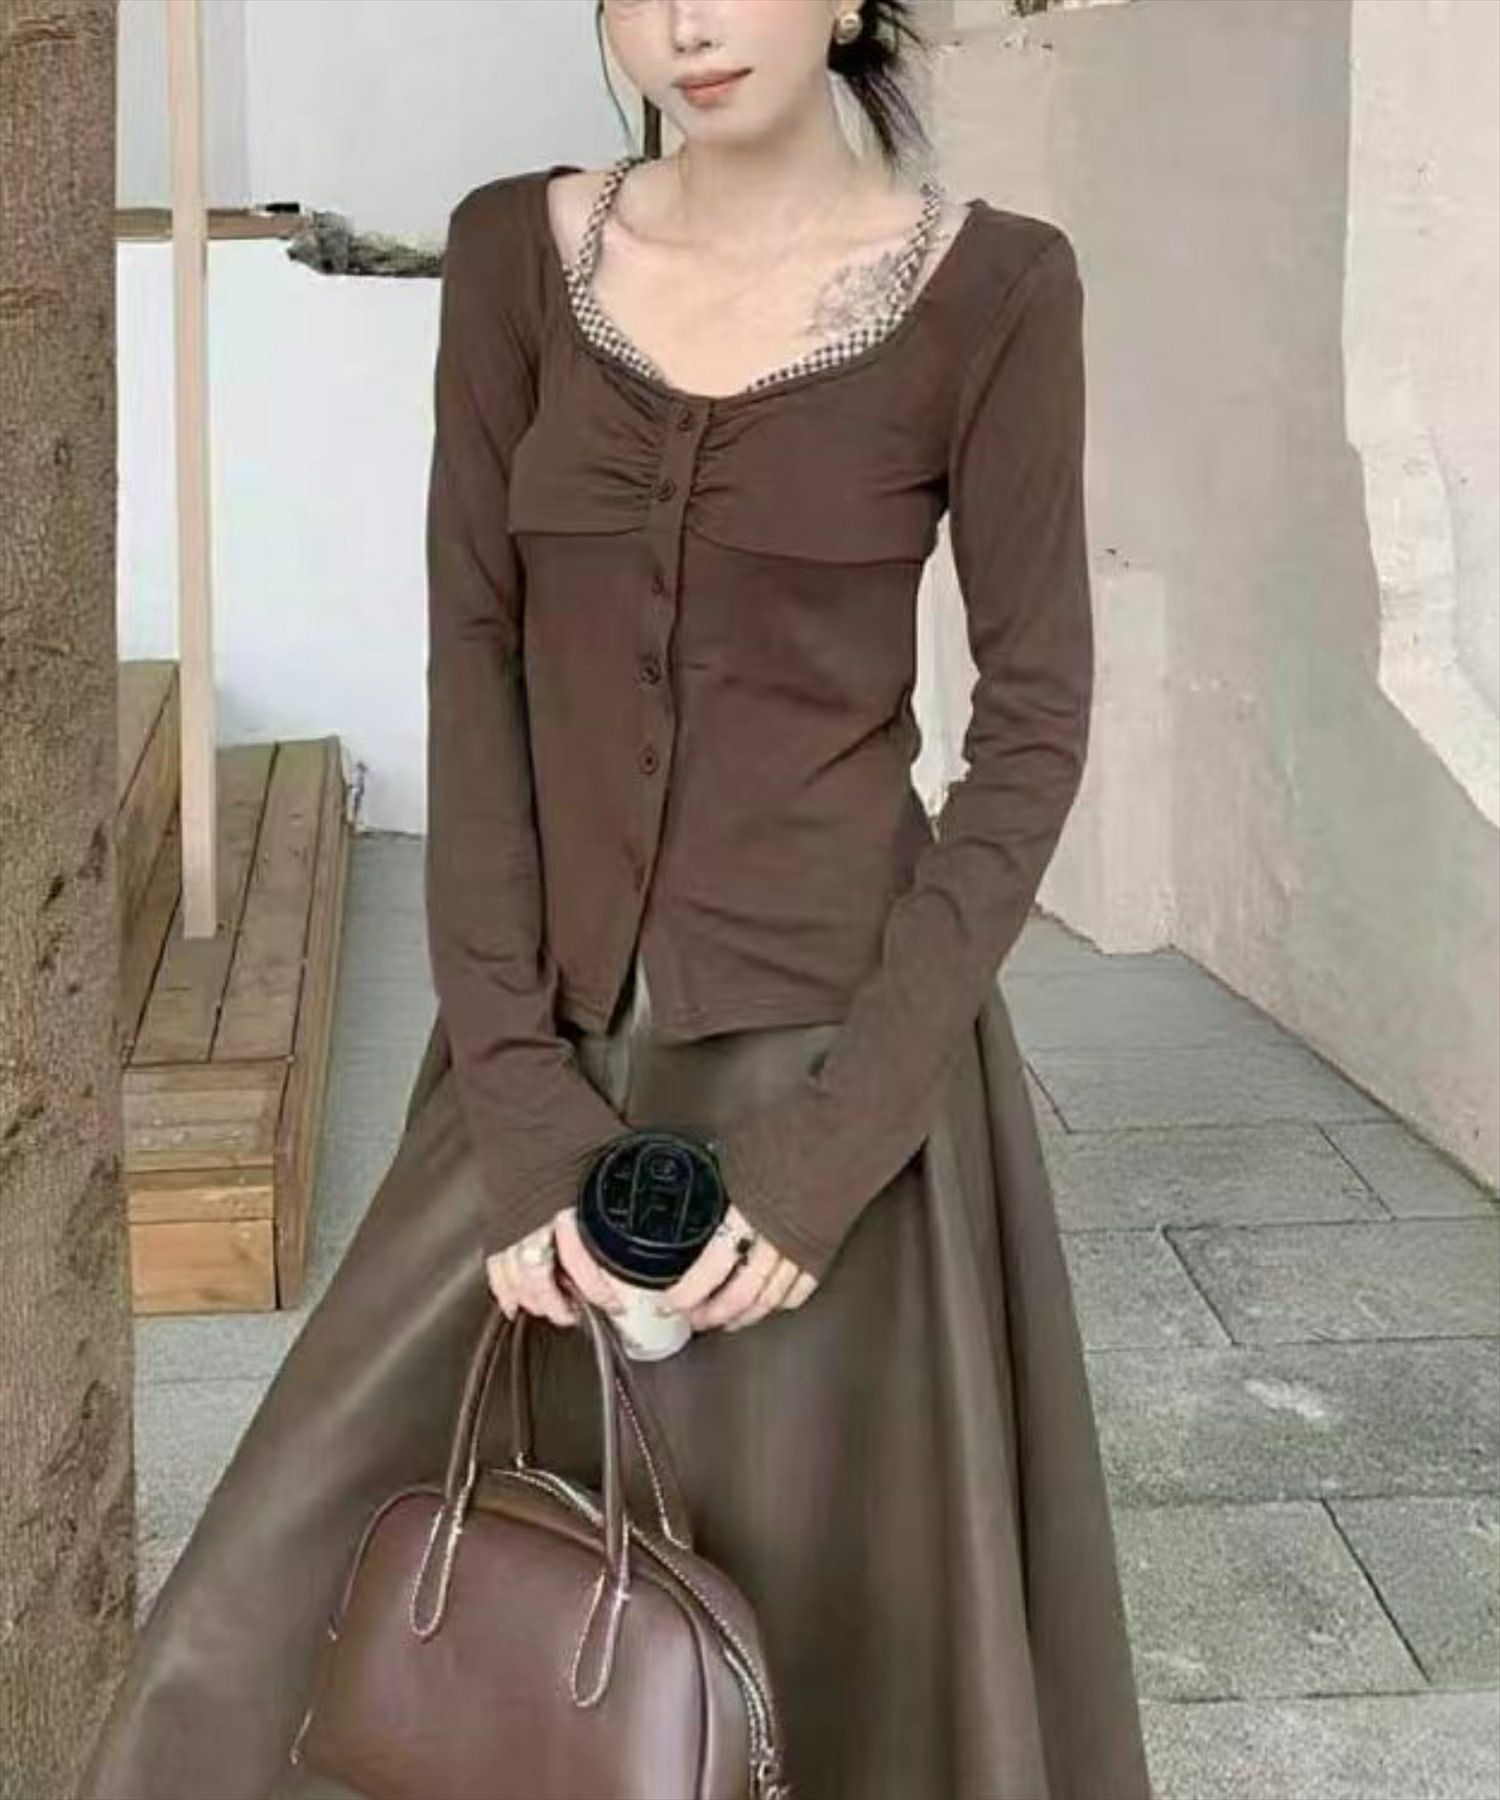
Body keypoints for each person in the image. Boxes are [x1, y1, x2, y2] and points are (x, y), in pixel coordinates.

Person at [79, 2, 1153, 1796]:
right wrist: (516, 1108)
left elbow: (1032, 731)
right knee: (269, 1627)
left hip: (840, 1084)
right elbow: (475, 661)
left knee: (837, 1667)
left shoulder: (998, 292)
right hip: (539, 1057)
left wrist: (830, 1155)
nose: (687, 25)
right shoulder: (516, 253)